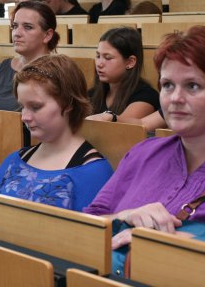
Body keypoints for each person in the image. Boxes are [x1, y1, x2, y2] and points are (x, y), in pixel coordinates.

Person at [85, 25, 205, 249]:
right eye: (168, 85)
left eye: (193, 86)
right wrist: (125, 217)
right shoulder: (143, 153)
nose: (175, 98)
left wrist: (165, 243)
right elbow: (88, 223)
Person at [0, 55, 113, 211]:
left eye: (35, 107)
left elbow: (89, 233)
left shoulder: (94, 172)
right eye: (23, 107)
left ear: (68, 104)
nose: (24, 117)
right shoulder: (14, 160)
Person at [0, 0, 60, 111]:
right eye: (15, 26)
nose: (17, 33)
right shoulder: (4, 66)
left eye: (28, 27)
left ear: (47, 35)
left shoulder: (56, 75)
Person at [88, 27, 159, 121]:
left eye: (108, 58)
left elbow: (120, 130)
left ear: (130, 62)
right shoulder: (92, 94)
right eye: (98, 56)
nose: (99, 64)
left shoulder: (146, 96)